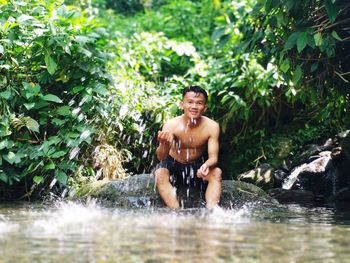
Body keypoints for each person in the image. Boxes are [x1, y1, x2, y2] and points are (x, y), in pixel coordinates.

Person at [154, 85, 222, 209]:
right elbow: (161, 156)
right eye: (190, 102)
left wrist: (206, 166)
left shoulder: (212, 126)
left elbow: (213, 158)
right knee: (159, 173)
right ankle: (176, 211)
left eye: (199, 103)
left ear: (205, 107)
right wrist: (164, 144)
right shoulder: (171, 125)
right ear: (182, 104)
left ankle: (212, 212)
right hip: (173, 165)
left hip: (197, 167)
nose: (194, 107)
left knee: (216, 172)